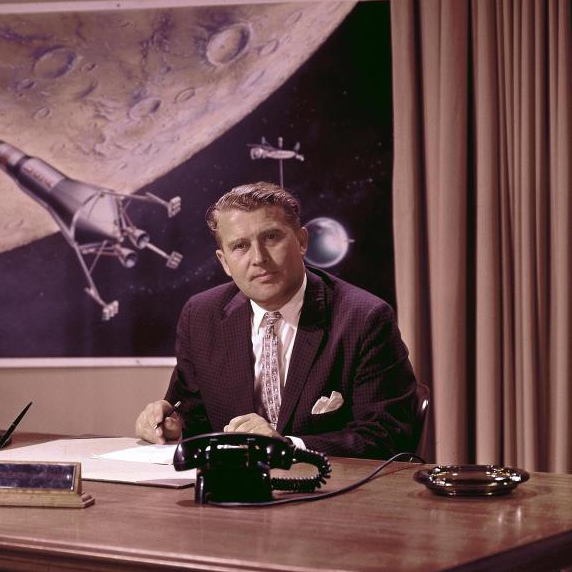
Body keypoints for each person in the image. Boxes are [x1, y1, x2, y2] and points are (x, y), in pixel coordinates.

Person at [134, 182, 418, 459]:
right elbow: (193, 412)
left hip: (333, 495)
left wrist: (287, 446)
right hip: (232, 494)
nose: (259, 258)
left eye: (271, 237)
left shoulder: (364, 318)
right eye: (240, 246)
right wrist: (173, 426)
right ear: (224, 262)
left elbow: (388, 434)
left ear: (302, 241)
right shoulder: (200, 316)